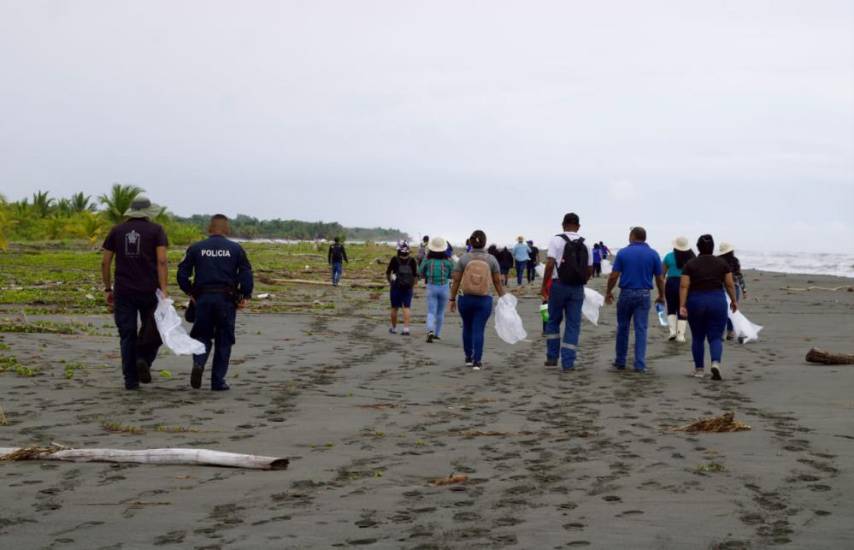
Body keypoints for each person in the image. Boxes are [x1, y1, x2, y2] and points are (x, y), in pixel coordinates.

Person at [177, 214, 254, 391]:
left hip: (203, 299)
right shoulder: (236, 249)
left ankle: (199, 363)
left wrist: (190, 292)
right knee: (224, 340)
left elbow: (182, 273)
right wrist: (245, 296)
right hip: (226, 300)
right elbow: (246, 275)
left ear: (209, 229)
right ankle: (217, 381)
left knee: (202, 335)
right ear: (227, 229)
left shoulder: (196, 248)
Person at [100, 196, 169, 390]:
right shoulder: (156, 230)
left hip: (124, 291)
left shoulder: (117, 230)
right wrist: (164, 289)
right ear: (148, 212)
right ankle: (144, 359)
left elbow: (105, 261)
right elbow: (162, 261)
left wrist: (107, 288)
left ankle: (130, 380)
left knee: (127, 334)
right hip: (150, 290)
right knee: (155, 331)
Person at [605, 227, 665, 373]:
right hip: (644, 293)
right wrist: (661, 295)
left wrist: (608, 291)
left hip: (626, 292)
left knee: (623, 328)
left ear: (632, 236)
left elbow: (614, 275)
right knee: (641, 329)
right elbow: (659, 278)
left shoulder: (623, 252)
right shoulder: (653, 254)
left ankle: (620, 361)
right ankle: (639, 364)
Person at [679, 234, 739, 380]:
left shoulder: (690, 264)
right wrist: (734, 300)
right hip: (717, 300)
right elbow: (730, 284)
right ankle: (716, 363)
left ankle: (699, 370)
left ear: (698, 247)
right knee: (715, 337)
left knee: (698, 337)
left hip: (696, 300)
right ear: (712, 247)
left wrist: (682, 304)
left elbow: (684, 285)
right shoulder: (722, 263)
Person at [541, 213, 593, 372]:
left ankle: (552, 357)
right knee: (573, 324)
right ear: (578, 226)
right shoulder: (586, 244)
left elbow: (550, 264)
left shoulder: (556, 240)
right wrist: (582, 280)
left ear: (563, 225)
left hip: (558, 285)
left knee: (553, 321)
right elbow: (590, 268)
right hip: (577, 288)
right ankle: (568, 362)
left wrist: (544, 285)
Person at [449, 230, 506, 370]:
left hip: (465, 298)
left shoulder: (463, 258)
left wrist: (452, 298)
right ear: (485, 242)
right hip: (484, 299)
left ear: (471, 241)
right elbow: (497, 282)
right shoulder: (491, 259)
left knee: (467, 327)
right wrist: (503, 297)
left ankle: (468, 358)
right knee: (478, 329)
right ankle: (477, 361)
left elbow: (456, 280)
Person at [419, 237, 455, 343]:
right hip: (444, 287)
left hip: (431, 287)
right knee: (440, 312)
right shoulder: (448, 261)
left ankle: (430, 330)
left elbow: (420, 271)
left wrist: (426, 275)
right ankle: (437, 334)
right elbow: (451, 274)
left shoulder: (428, 260)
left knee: (431, 312)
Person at [662, 236, 694, 342]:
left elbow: (662, 274)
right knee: (683, 307)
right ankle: (680, 335)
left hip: (671, 283)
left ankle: (672, 332)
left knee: (671, 307)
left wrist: (661, 288)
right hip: (686, 284)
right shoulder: (692, 258)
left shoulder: (668, 256)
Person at [386, 242, 418, 335]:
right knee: (406, 307)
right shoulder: (412, 260)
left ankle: (393, 328)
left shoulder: (394, 259)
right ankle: (406, 328)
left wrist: (390, 282)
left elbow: (388, 272)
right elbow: (415, 275)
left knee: (394, 307)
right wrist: (413, 285)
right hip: (408, 287)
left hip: (396, 285)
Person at [717, 242, 747, 341]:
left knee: (722, 310)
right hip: (734, 287)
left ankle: (721, 333)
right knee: (733, 309)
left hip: (720, 287)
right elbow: (739, 276)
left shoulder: (717, 261)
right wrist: (744, 290)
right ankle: (730, 332)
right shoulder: (735, 261)